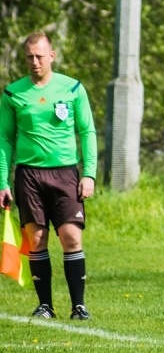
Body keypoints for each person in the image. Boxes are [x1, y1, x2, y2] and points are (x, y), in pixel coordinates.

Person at [0, 32, 97, 321]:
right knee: (37, 238)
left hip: (65, 173)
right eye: (29, 56)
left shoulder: (73, 89)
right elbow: (4, 139)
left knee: (70, 237)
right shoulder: (12, 93)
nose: (34, 61)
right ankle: (45, 306)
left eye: (39, 56)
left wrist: (89, 174)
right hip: (28, 175)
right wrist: (3, 181)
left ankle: (79, 306)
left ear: (52, 56)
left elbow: (87, 132)